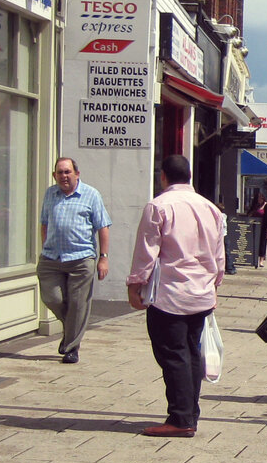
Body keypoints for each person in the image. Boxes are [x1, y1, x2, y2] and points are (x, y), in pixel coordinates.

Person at [126, 154, 225, 438]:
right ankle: (189, 412)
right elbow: (219, 255)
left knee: (173, 354)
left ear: (163, 177)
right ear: (190, 176)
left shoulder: (159, 206)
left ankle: (181, 417)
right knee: (191, 352)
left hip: (170, 293)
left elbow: (147, 251)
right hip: (201, 293)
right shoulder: (210, 209)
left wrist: (135, 284)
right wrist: (215, 283)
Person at [37, 157, 112, 364]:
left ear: (77, 174)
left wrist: (103, 258)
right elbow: (44, 223)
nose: (64, 176)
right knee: (52, 298)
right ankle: (72, 330)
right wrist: (45, 247)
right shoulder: (50, 194)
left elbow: (103, 227)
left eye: (67, 172)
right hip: (52, 257)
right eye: (60, 173)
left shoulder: (91, 195)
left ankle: (71, 348)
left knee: (78, 304)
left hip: (81, 258)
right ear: (54, 176)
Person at [250, 190, 267, 262]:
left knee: (263, 243)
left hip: (263, 226)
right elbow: (250, 213)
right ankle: (254, 258)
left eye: (261, 199)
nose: (259, 200)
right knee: (254, 242)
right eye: (258, 199)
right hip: (254, 226)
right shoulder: (255, 206)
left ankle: (261, 259)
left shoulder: (266, 205)